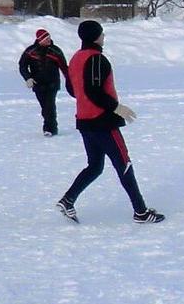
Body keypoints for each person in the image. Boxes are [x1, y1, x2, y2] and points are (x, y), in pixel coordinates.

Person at [56, 20, 164, 224]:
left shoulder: (76, 58)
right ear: (96, 36)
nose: (104, 37)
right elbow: (94, 90)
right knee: (124, 164)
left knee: (95, 166)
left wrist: (88, 100)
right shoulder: (96, 59)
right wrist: (116, 108)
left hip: (84, 120)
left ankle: (68, 200)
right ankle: (140, 211)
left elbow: (73, 90)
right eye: (102, 34)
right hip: (102, 122)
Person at [18, 28, 70, 136]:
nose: (49, 40)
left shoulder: (56, 51)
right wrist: (28, 78)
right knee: (44, 106)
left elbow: (64, 68)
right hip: (38, 85)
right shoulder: (30, 51)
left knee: (50, 106)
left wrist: (70, 80)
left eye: (49, 38)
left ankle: (50, 129)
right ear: (40, 40)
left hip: (52, 84)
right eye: (46, 39)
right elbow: (22, 66)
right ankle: (50, 126)